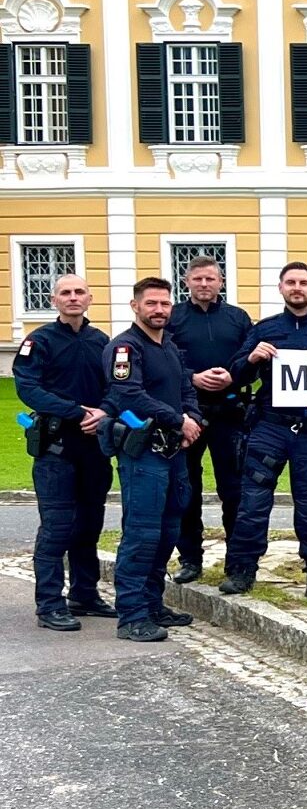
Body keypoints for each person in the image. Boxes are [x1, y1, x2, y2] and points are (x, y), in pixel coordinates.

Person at [218, 262, 307, 603]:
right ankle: (242, 570)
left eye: (303, 283)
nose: (297, 288)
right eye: (290, 282)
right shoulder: (263, 329)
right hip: (269, 427)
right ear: (280, 288)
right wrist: (252, 358)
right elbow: (235, 375)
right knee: (252, 503)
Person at [101, 278, 205, 642]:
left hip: (174, 451)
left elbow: (186, 389)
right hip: (143, 453)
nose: (159, 310)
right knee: (142, 534)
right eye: (152, 304)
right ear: (135, 306)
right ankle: (131, 615)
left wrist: (193, 418)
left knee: (168, 531)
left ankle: (153, 604)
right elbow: (128, 394)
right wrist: (179, 420)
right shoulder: (125, 349)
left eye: (165, 303)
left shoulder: (171, 348)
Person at [16, 274, 116, 630]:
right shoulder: (38, 341)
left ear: (90, 298)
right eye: (65, 293)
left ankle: (85, 594)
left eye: (79, 292)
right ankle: (49, 604)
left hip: (94, 446)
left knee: (89, 526)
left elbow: (116, 388)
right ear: (53, 300)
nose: (73, 298)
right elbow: (28, 389)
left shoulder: (101, 342)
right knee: (58, 527)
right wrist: (77, 411)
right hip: (56, 448)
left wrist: (103, 413)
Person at [166, 255, 251, 585]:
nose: (204, 284)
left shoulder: (238, 318)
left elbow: (251, 360)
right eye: (198, 279)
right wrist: (193, 378)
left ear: (221, 282)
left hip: (231, 414)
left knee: (234, 491)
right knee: (186, 488)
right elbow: (163, 360)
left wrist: (234, 376)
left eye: (210, 279)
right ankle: (190, 558)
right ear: (187, 282)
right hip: (188, 414)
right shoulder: (173, 318)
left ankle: (237, 560)